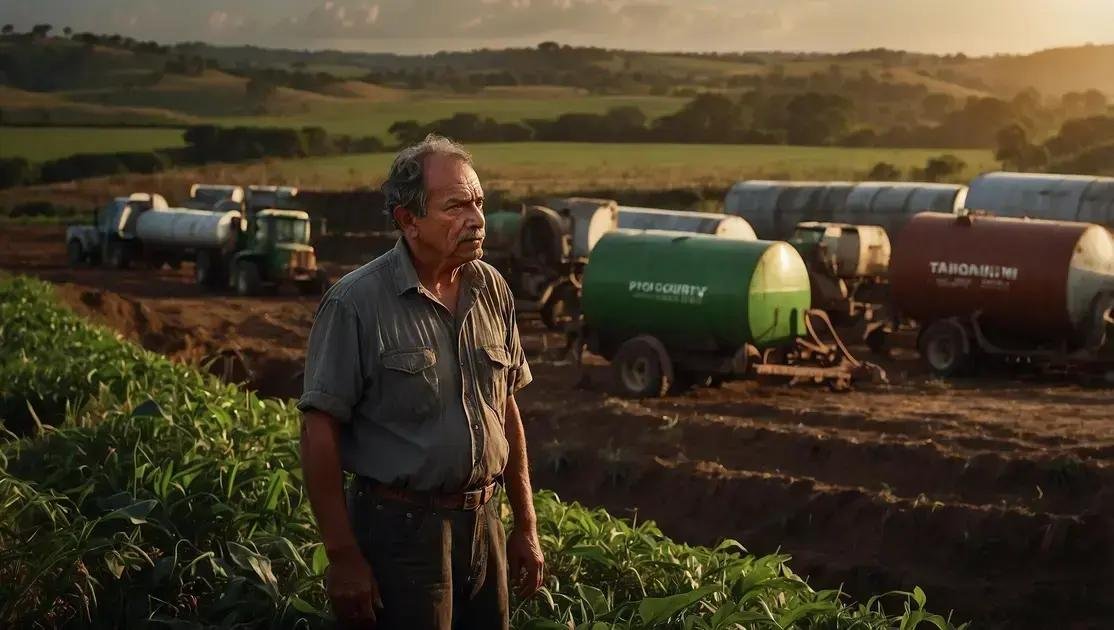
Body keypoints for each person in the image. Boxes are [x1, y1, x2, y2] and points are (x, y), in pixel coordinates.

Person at [298, 134, 544, 629]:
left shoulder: (490, 287)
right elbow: (318, 431)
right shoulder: (356, 303)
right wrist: (343, 557)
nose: (475, 218)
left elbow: (506, 409)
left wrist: (526, 526)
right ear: (408, 220)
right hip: (401, 533)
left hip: (485, 525)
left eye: (478, 201)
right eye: (455, 206)